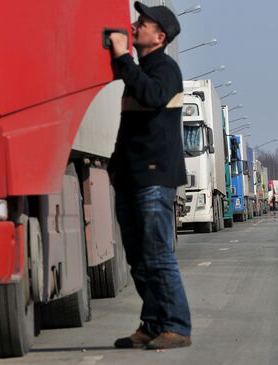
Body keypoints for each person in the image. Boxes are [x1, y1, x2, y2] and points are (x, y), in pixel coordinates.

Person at [107, 1, 191, 350]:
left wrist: (124, 59)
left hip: (154, 180)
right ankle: (153, 323)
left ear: (159, 36)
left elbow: (154, 96)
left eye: (142, 22)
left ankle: (177, 327)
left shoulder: (165, 69)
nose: (134, 25)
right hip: (131, 178)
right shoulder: (140, 70)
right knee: (139, 259)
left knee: (157, 256)